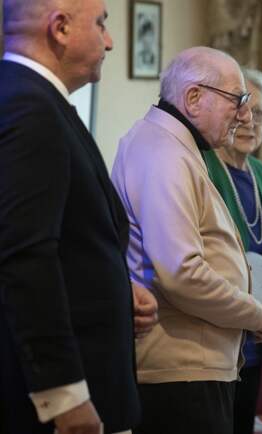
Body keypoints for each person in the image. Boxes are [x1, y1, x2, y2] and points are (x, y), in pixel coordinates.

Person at [0, 1, 158, 433]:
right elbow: (24, 256)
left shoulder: (34, 99)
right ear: (61, 28)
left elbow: (64, 239)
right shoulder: (29, 106)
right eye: (102, 24)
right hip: (60, 398)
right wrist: (64, 396)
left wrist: (115, 289)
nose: (109, 41)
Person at [110, 47, 262, 434]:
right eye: (237, 101)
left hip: (191, 364)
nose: (245, 116)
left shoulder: (171, 143)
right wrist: (256, 314)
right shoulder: (166, 153)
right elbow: (182, 273)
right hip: (180, 368)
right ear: (193, 98)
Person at [201, 67, 262, 434]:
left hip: (254, 336)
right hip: (213, 333)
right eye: (245, 110)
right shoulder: (204, 167)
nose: (251, 122)